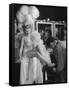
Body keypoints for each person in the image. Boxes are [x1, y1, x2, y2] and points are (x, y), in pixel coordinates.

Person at [16, 6, 55, 85]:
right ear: (24, 28)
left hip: (31, 54)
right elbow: (21, 49)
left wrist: (40, 48)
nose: (28, 30)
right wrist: (20, 58)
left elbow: (37, 47)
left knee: (38, 49)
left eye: (29, 28)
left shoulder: (32, 36)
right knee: (37, 53)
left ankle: (47, 62)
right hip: (26, 55)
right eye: (26, 28)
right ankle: (48, 62)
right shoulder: (23, 37)